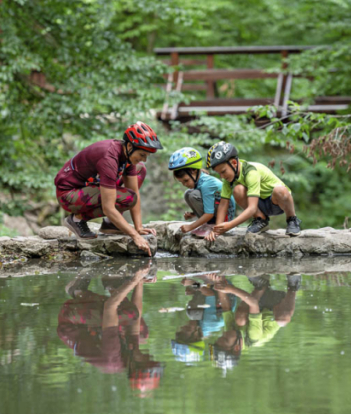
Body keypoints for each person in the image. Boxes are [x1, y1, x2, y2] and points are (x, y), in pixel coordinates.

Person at [54, 122, 163, 256]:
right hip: (68, 195)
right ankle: (77, 219)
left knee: (140, 171)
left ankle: (110, 224)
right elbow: (108, 207)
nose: (144, 159)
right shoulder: (109, 158)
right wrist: (135, 236)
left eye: (147, 156)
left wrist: (139, 228)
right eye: (142, 155)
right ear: (129, 146)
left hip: (89, 186)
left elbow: (134, 192)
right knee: (127, 198)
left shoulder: (127, 156)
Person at [57, 261, 163, 396]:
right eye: (152, 359)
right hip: (92, 327)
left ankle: (78, 291)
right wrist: (139, 282)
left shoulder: (112, 357)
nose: (150, 355)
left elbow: (110, 307)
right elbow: (137, 317)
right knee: (140, 330)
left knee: (128, 313)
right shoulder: (131, 353)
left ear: (134, 366)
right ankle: (112, 283)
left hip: (71, 321)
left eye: (147, 360)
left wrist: (134, 279)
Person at [205, 141, 302, 241]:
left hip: (277, 202)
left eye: (223, 171)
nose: (222, 176)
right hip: (259, 203)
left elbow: (251, 208)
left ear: (234, 163)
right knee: (238, 190)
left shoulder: (251, 172)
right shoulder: (228, 178)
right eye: (219, 173)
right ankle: (261, 220)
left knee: (280, 190)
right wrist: (217, 230)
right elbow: (223, 204)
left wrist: (229, 225)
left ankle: (292, 219)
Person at [210, 274, 301, 370]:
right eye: (225, 339)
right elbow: (253, 304)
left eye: (220, 337)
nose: (223, 333)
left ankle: (261, 286)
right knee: (283, 320)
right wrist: (232, 289)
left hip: (261, 300)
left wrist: (218, 282)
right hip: (277, 305)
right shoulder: (253, 337)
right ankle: (293, 286)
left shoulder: (230, 333)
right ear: (237, 347)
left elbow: (225, 307)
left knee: (240, 319)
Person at [168, 147, 236, 238]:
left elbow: (209, 213)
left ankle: (211, 225)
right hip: (216, 209)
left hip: (225, 215)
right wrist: (193, 214)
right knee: (188, 193)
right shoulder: (200, 181)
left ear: (194, 171)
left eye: (186, 180)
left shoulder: (206, 184)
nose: (184, 184)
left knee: (192, 194)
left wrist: (190, 227)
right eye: (182, 182)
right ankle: (208, 223)